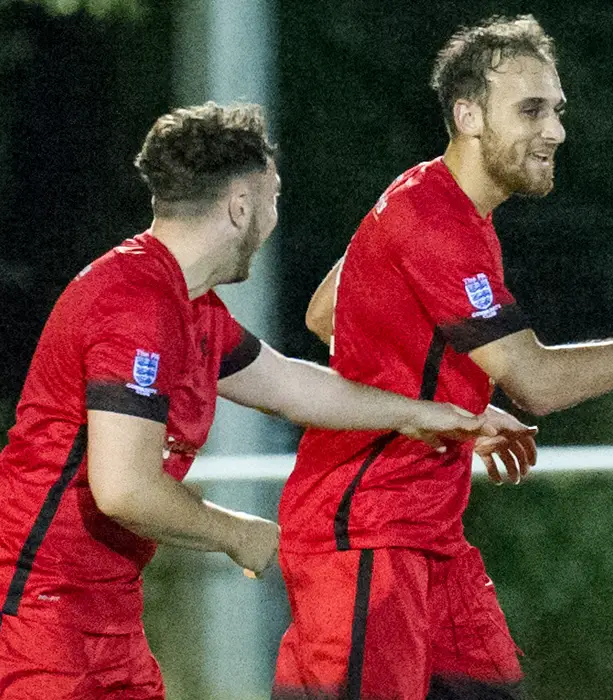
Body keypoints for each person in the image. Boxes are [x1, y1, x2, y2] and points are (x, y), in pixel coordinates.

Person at [273, 15, 613, 700]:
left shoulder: (430, 201)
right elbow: (538, 383)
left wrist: (447, 405)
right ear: (468, 115)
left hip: (427, 538)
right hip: (364, 537)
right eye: (531, 110)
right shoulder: (435, 222)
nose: (555, 131)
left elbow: (325, 312)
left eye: (556, 110)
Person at [0, 102, 494, 700]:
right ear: (240, 206)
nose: (274, 219)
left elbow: (292, 386)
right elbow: (124, 488)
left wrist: (425, 412)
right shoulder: (134, 304)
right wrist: (238, 533)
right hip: (34, 616)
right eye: (274, 198)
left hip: (101, 617)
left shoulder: (192, 308)